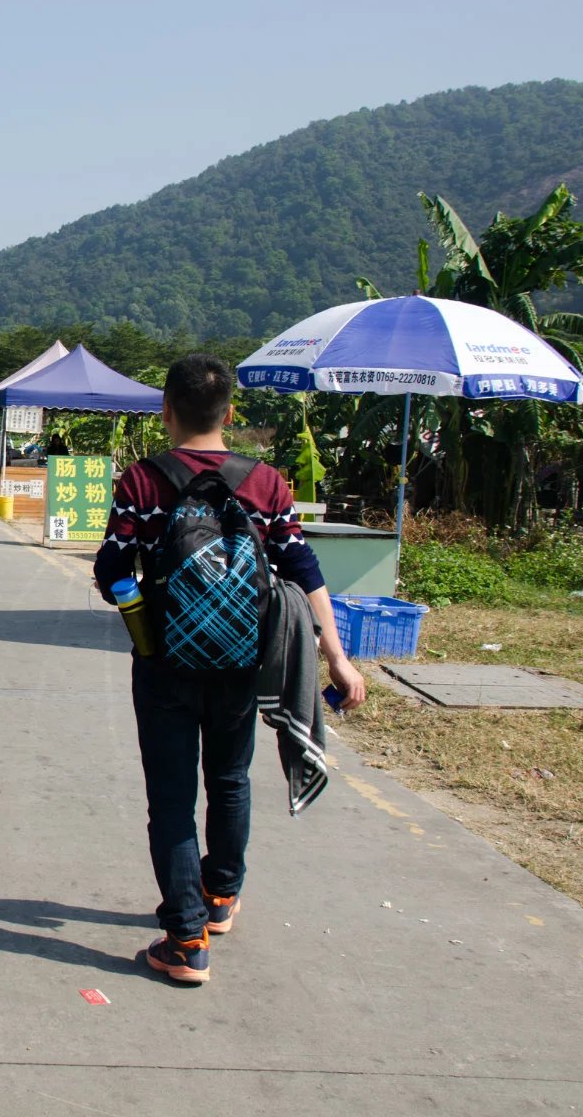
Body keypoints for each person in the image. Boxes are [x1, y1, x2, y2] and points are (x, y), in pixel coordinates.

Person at [92, 354, 366, 986]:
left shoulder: (142, 480)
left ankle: (185, 939)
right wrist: (337, 657)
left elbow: (112, 570)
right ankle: (220, 899)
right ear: (231, 414)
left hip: (163, 661)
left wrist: (136, 606)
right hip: (245, 661)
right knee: (230, 778)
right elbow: (304, 571)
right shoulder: (267, 484)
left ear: (166, 412)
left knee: (171, 795)